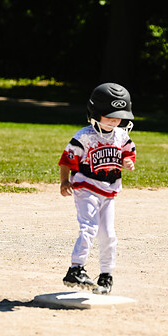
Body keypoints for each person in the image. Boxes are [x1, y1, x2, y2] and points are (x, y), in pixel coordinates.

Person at [59, 82, 136, 294]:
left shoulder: (121, 136)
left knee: (109, 234)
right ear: (95, 113)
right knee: (89, 227)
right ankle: (76, 268)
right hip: (86, 188)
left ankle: (106, 276)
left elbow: (128, 153)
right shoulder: (84, 136)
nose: (114, 121)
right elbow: (67, 159)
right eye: (109, 116)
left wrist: (128, 162)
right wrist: (64, 181)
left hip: (110, 192)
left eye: (118, 117)